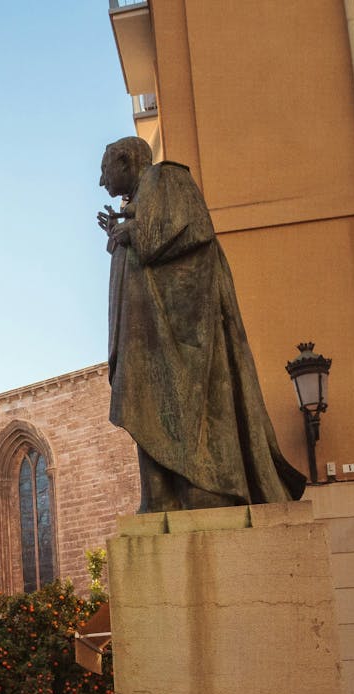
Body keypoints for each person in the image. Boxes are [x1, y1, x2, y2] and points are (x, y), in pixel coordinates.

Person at [98, 136, 305, 513]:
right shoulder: (144, 197)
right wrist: (121, 233)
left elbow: (191, 229)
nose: (102, 182)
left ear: (127, 161)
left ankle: (204, 487)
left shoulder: (168, 178)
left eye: (104, 170)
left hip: (180, 332)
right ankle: (158, 497)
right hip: (149, 331)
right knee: (144, 401)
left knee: (183, 403)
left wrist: (132, 232)